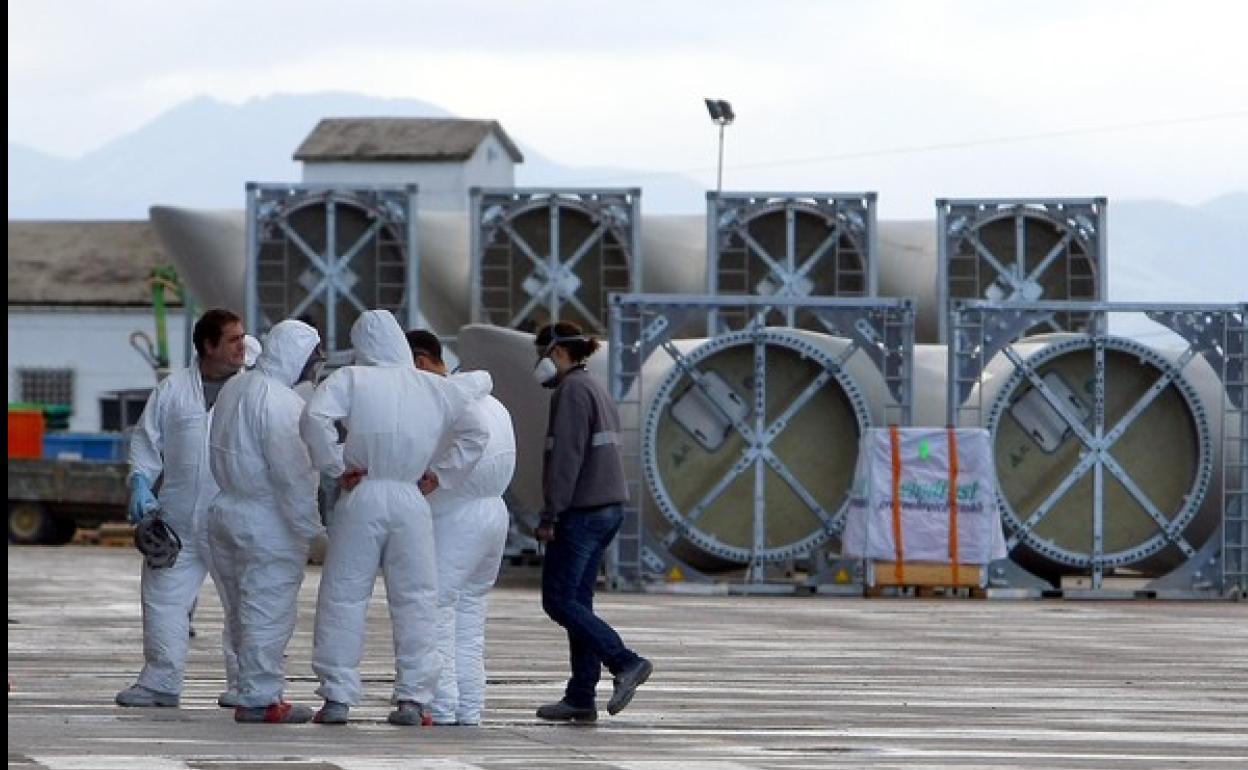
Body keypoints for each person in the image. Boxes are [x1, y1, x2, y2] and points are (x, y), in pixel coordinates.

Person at [300, 310, 492, 726]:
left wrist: (334, 464)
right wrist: (441, 475)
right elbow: (477, 433)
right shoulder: (434, 387)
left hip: (362, 492)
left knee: (344, 596)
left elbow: (314, 417)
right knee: (417, 598)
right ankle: (412, 698)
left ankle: (337, 696)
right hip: (410, 496)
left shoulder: (350, 379)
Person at [116, 308, 247, 708]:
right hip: (178, 520)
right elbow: (146, 440)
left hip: (233, 517)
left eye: (243, 338)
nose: (243, 346)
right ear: (208, 345)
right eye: (233, 340)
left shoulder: (253, 390)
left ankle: (250, 685)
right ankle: (160, 681)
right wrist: (140, 480)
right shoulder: (173, 390)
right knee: (163, 598)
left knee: (247, 603)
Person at [532, 321, 653, 723]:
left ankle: (625, 662)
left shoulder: (570, 392)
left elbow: (566, 459)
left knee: (559, 600)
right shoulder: (595, 386)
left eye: (542, 354)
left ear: (558, 352)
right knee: (578, 603)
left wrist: (551, 513)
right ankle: (580, 697)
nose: (540, 363)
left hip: (582, 510)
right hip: (608, 508)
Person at [207, 319, 326, 724]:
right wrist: (312, 531)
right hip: (267, 521)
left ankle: (247, 686)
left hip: (225, 511)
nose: (317, 366)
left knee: (242, 610)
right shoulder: (282, 404)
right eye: (314, 357)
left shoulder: (236, 387)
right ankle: (260, 698)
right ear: (296, 356)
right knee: (267, 610)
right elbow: (292, 477)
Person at [408, 329, 516, 726]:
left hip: (454, 516)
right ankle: (469, 705)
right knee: (470, 615)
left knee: (436, 608)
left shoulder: (444, 404)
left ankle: (441, 704)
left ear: (419, 364)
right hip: (494, 516)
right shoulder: (494, 404)